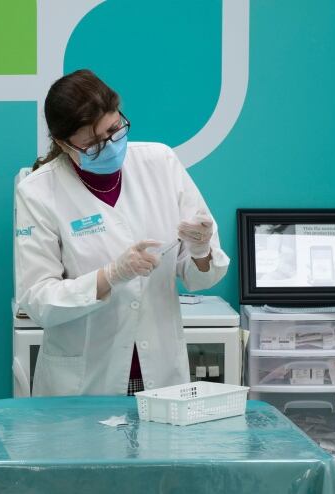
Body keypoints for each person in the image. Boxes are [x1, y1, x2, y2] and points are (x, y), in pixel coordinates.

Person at [15, 69, 229, 396]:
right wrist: (109, 277)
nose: (111, 145)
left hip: (160, 372)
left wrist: (200, 252)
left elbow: (199, 276)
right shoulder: (38, 191)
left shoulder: (160, 163)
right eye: (93, 143)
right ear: (63, 143)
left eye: (115, 129)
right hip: (84, 382)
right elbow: (38, 300)